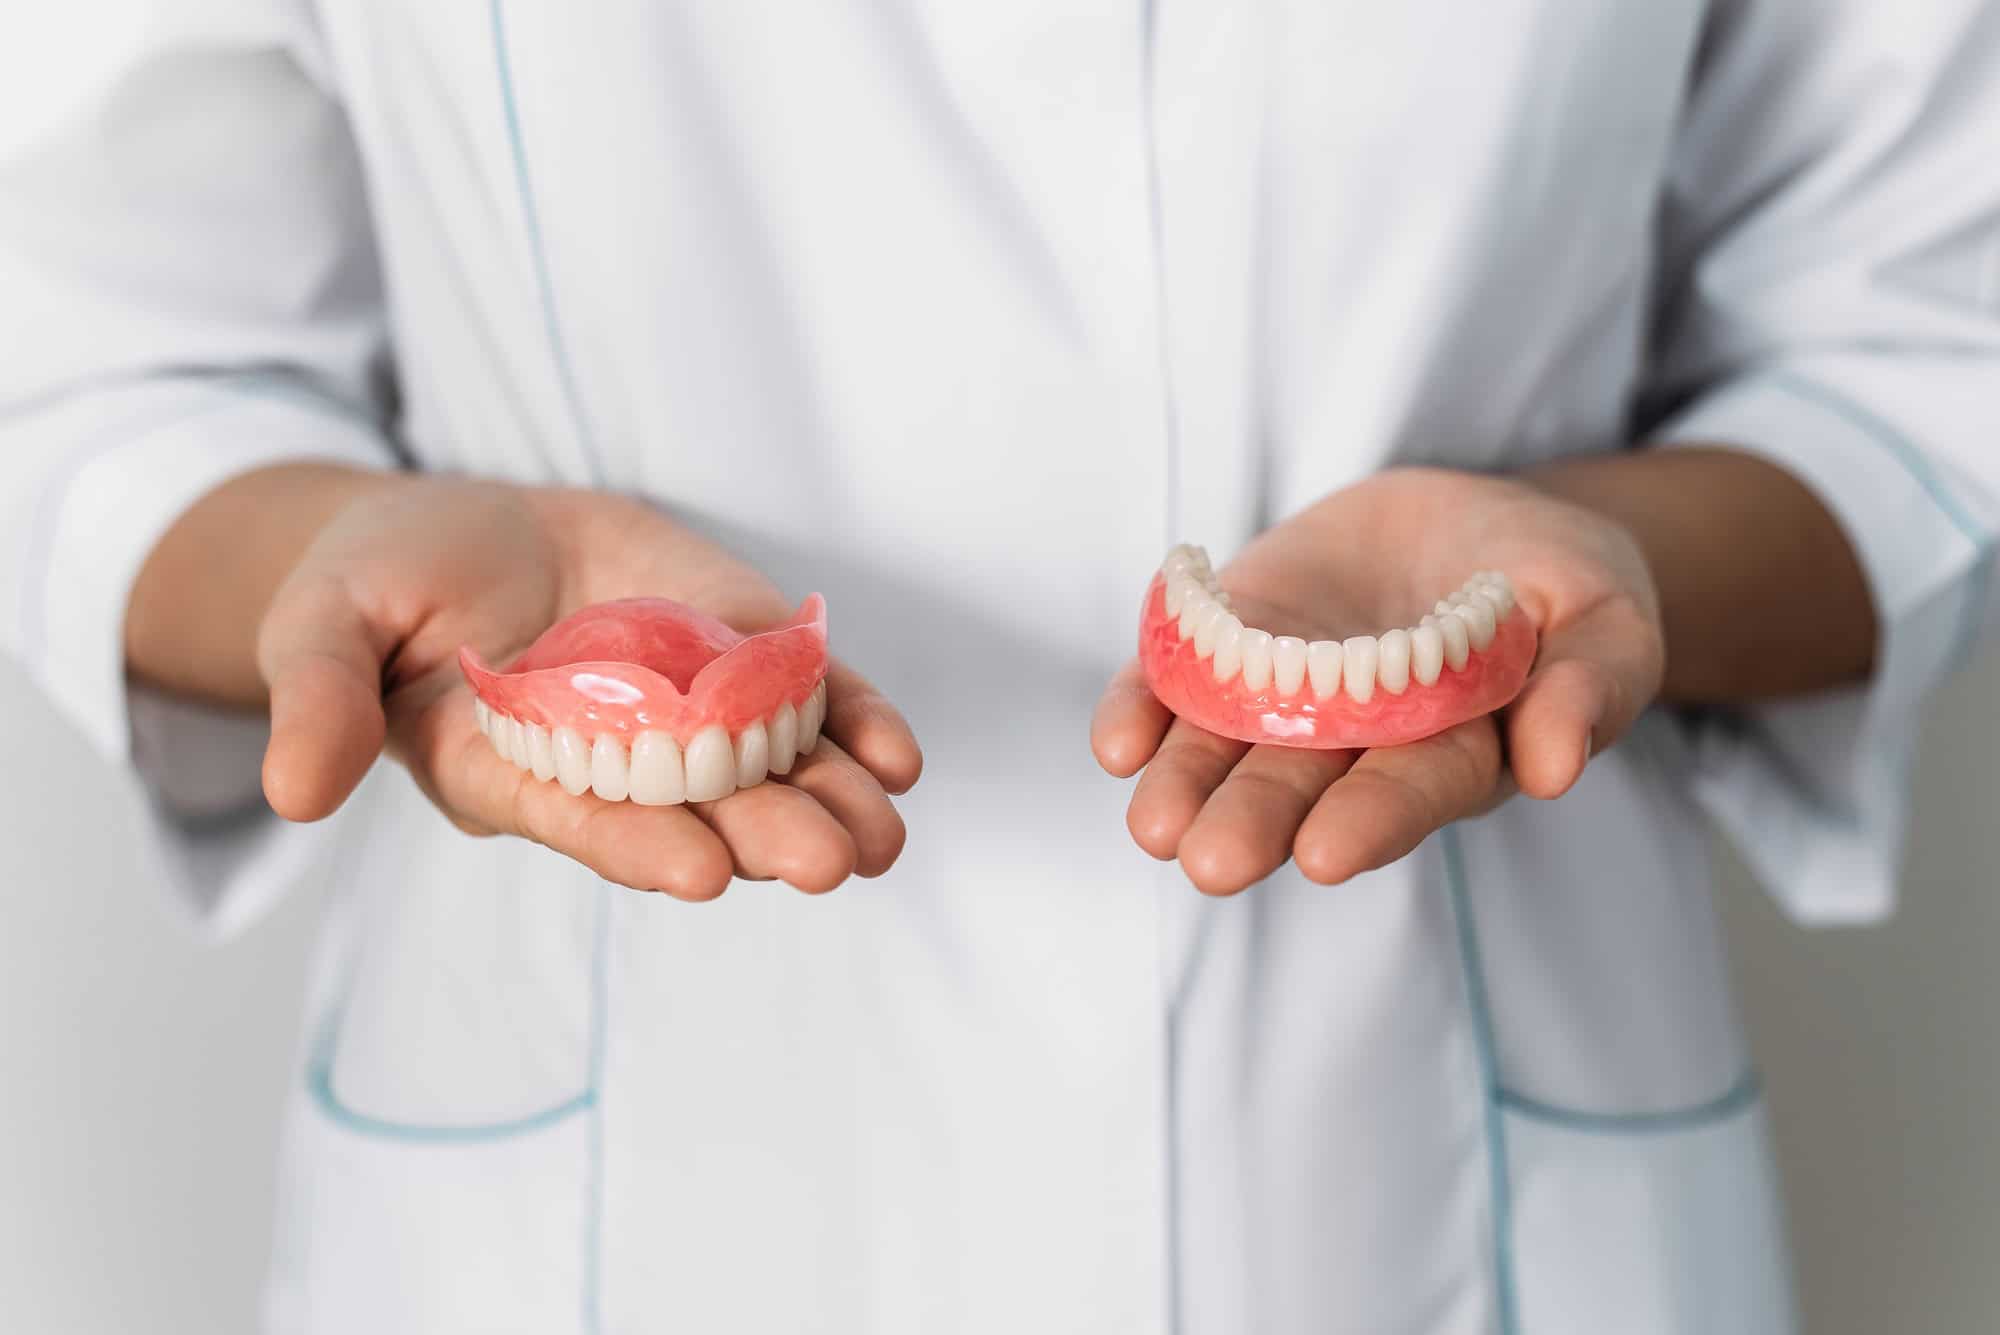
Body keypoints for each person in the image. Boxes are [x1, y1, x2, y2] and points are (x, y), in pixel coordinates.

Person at [3, 2, 1995, 1331]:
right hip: (603, 1213)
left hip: (1423, 1200)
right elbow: (101, 361)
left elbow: (1922, 338)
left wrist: (1617, 560)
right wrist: (333, 572)